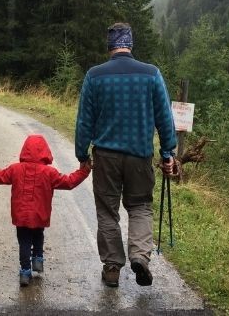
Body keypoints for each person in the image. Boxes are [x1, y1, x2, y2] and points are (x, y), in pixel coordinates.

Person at [75, 22, 177, 288]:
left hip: (106, 156)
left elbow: (85, 120)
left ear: (109, 45)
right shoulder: (151, 74)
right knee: (140, 206)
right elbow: (165, 118)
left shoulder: (94, 76)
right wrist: (168, 153)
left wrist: (81, 152)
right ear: (130, 43)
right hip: (140, 156)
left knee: (107, 211)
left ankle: (112, 268)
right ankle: (140, 256)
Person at [0, 134, 91, 287]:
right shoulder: (49, 172)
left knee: (24, 242)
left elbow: (0, 176)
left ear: (24, 151)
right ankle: (38, 259)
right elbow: (68, 182)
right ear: (45, 152)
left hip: (21, 215)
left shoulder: (15, 169)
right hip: (40, 214)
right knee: (38, 234)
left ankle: (25, 272)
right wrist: (84, 171)